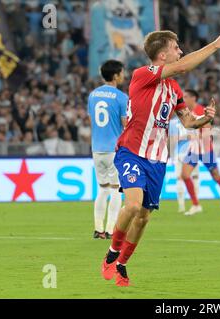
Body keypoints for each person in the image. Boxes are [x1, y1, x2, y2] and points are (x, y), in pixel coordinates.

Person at [100, 26, 220, 287]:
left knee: (144, 217)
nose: (180, 51)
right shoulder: (142, 74)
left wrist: (204, 118)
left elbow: (187, 122)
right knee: (133, 205)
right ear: (162, 55)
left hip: (157, 160)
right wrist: (215, 45)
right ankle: (112, 253)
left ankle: (123, 265)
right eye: (176, 48)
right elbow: (183, 66)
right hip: (131, 152)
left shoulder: (173, 89)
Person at [87, 60, 127, 239]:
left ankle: (98, 229)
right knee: (117, 190)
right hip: (114, 149)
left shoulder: (93, 95)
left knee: (102, 189)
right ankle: (111, 230)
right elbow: (125, 124)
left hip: (97, 149)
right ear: (116, 75)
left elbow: (91, 121)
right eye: (122, 73)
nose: (124, 76)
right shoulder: (120, 97)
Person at [181, 89, 220, 217]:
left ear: (194, 98)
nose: (183, 99)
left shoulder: (201, 110)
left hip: (205, 149)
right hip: (194, 148)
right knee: (185, 174)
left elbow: (207, 129)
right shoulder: (185, 112)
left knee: (216, 176)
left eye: (186, 96)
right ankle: (196, 205)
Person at [169, 114, 200, 213]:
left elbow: (173, 140)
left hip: (182, 153)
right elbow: (196, 136)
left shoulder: (173, 123)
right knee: (194, 177)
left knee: (180, 178)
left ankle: (182, 206)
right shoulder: (191, 118)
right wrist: (186, 136)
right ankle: (195, 204)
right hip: (191, 152)